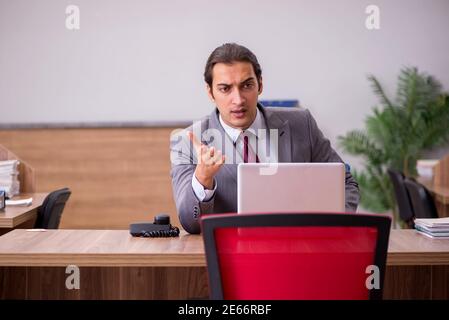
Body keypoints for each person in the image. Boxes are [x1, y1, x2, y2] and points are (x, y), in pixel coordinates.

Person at [170, 43, 360, 234]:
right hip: (233, 258)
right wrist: (203, 177)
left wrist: (330, 226)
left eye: (247, 85)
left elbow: (345, 184)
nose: (238, 99)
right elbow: (190, 223)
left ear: (260, 84)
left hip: (301, 249)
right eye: (225, 89)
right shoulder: (187, 142)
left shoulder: (302, 124)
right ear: (210, 92)